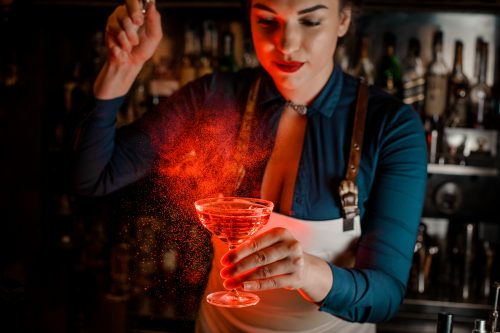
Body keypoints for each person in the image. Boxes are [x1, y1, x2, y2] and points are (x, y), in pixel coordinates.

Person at [72, 0, 428, 332]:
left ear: (344, 20)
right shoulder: (214, 96)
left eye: (311, 21)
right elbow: (92, 178)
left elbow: (386, 296)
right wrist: (121, 69)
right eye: (266, 20)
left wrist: (309, 273)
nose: (286, 44)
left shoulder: (391, 126)